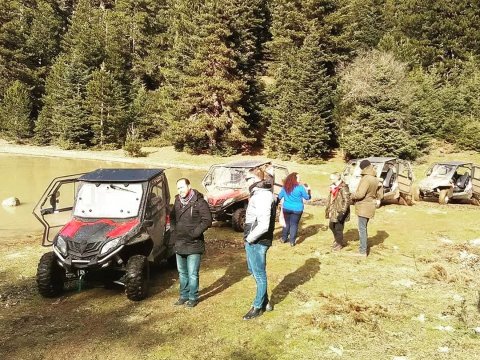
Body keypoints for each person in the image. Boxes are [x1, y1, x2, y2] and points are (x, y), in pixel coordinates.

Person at [170, 178, 212, 307]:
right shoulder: (177, 201)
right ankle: (183, 296)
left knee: (192, 273)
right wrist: (174, 230)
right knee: (182, 273)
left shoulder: (199, 202)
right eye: (178, 188)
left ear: (189, 186)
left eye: (182, 187)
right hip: (179, 243)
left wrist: (195, 233)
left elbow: (208, 220)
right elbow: (172, 218)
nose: (180, 190)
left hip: (194, 244)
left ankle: (193, 297)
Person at [243, 168, 276, 320]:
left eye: (248, 178)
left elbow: (263, 225)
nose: (246, 181)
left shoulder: (262, 196)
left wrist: (249, 239)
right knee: (255, 271)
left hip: (257, 240)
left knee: (259, 274)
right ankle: (266, 301)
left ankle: (257, 307)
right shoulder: (259, 193)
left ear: (257, 180)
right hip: (253, 239)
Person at [350, 160, 379, 257]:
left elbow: (360, 194)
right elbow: (380, 194)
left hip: (364, 206)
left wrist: (351, 195)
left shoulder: (366, 178)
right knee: (364, 228)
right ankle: (364, 248)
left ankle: (362, 251)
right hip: (370, 205)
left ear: (363, 168)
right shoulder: (375, 178)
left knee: (362, 229)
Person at [278, 172, 311, 246]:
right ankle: (292, 242)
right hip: (297, 209)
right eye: (299, 177)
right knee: (294, 224)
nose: (300, 179)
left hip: (286, 208)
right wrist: (309, 190)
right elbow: (307, 197)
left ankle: (283, 238)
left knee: (287, 223)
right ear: (294, 179)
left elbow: (279, 197)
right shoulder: (300, 188)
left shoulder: (285, 187)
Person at [325, 172, 351, 251]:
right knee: (331, 226)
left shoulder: (343, 187)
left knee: (338, 228)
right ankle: (337, 240)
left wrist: (343, 212)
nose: (330, 179)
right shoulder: (333, 187)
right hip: (333, 210)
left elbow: (347, 201)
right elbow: (332, 199)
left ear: (337, 178)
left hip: (340, 211)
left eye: (332, 178)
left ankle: (339, 244)